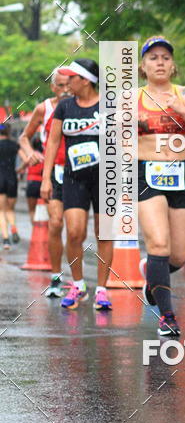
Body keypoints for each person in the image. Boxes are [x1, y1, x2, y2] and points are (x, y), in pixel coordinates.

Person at [137, 36, 185, 337]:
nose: (159, 62)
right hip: (146, 173)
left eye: (165, 57)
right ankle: (167, 315)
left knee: (178, 256)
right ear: (143, 66)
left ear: (173, 64)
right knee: (158, 244)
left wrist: (182, 110)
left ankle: (152, 276)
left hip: (181, 174)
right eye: (153, 57)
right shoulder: (132, 98)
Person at [40, 58, 114, 310]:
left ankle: (102, 290)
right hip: (73, 178)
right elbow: (52, 143)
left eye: (71, 78)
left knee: (103, 233)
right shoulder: (65, 107)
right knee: (74, 232)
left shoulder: (108, 106)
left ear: (85, 80)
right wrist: (46, 177)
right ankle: (79, 284)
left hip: (105, 179)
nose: (66, 83)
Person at [19, 69, 70, 296]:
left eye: (69, 84)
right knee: (56, 223)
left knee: (78, 230)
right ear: (52, 87)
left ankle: (87, 284)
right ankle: (56, 278)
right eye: (60, 85)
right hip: (55, 171)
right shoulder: (44, 108)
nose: (65, 90)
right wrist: (29, 152)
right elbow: (24, 137)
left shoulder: (86, 106)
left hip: (83, 173)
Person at [0, 124, 20, 249]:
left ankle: (6, 239)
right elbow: (28, 159)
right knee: (10, 209)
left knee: (1, 211)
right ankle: (13, 227)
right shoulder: (15, 145)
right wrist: (19, 170)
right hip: (12, 178)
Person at [21, 136, 44, 223]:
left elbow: (24, 165)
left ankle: (35, 228)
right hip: (42, 183)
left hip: (31, 182)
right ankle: (42, 228)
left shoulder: (31, 155)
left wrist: (19, 170)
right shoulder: (45, 155)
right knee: (43, 209)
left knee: (31, 210)